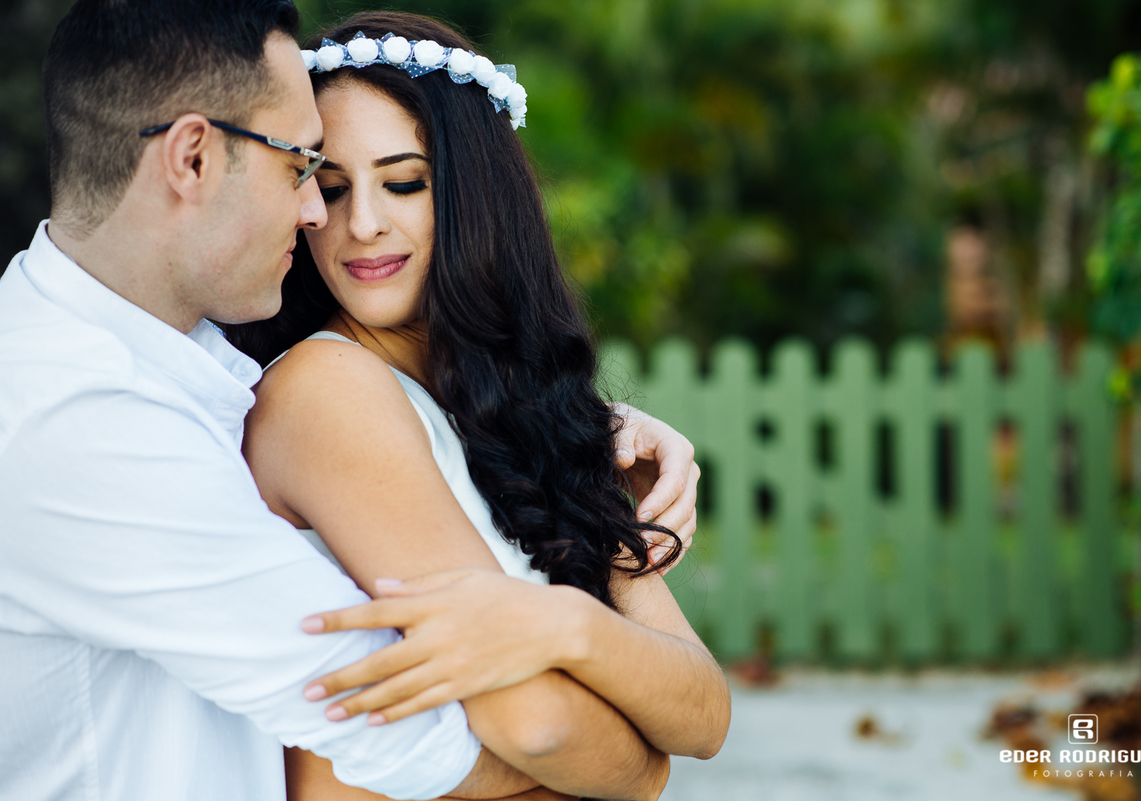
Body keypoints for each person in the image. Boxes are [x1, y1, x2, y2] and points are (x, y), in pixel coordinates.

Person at [0, 2, 701, 800]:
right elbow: (450, 735)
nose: (320, 215)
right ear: (192, 158)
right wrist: (641, 768)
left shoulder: (165, 361)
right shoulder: (78, 422)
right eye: (304, 167)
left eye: (401, 181)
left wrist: (581, 433)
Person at [228, 10, 730, 801]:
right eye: (328, 186)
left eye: (404, 183)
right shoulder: (325, 389)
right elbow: (540, 723)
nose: (362, 225)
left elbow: (704, 710)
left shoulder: (517, 409)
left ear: (474, 194)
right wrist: (642, 764)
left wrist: (567, 626)